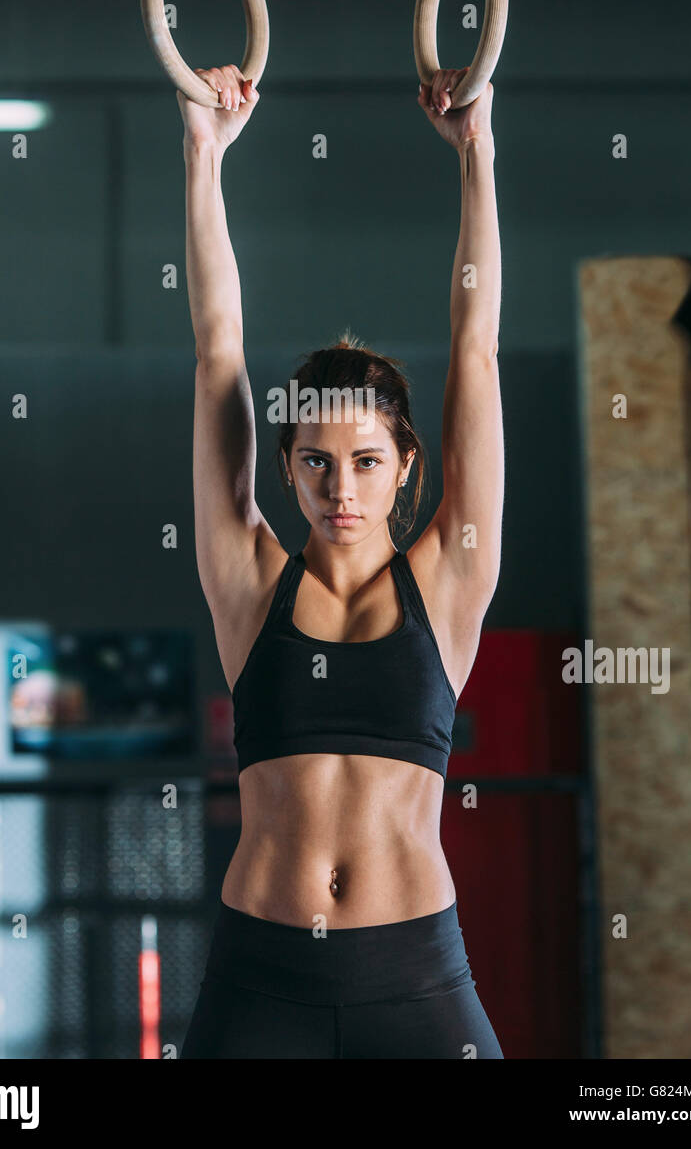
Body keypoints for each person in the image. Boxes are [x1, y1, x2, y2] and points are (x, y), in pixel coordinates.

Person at [178, 63, 504, 1059]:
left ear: (409, 464)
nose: (340, 488)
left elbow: (475, 342)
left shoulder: (447, 580)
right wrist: (203, 151)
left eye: (365, 460)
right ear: (284, 467)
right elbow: (216, 345)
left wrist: (475, 151)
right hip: (260, 973)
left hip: (411, 973)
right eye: (314, 462)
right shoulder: (248, 581)